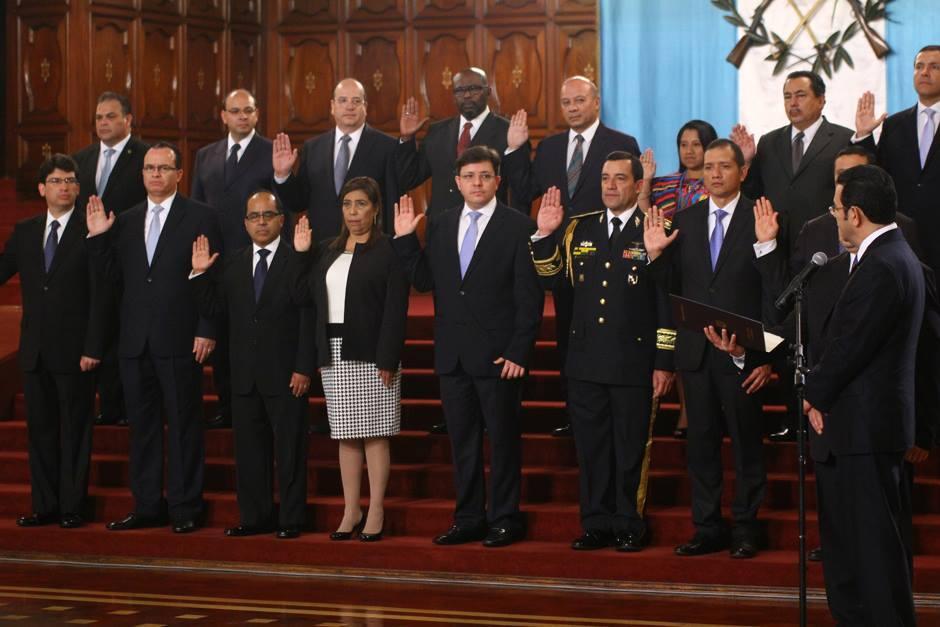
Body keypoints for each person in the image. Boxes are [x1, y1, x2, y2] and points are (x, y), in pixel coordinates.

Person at [392, 146, 543, 547]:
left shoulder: (519, 226)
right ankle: (469, 518)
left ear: (498, 180)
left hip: (499, 356)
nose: (477, 183)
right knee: (463, 445)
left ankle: (505, 518)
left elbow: (529, 297)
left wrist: (519, 350)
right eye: (470, 177)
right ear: (457, 183)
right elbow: (425, 281)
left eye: (485, 176)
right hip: (453, 355)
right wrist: (405, 239)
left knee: (504, 442)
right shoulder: (440, 224)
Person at [643, 139, 784, 559]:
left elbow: (775, 292)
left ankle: (746, 527)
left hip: (743, 355)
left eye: (724, 166)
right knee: (700, 446)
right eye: (709, 167)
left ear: (743, 171)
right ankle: (707, 526)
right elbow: (670, 291)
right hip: (695, 354)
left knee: (746, 443)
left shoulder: (762, 217)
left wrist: (766, 358)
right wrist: (655, 257)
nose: (715, 174)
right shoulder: (684, 220)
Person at [531, 152, 675, 552]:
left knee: (630, 448)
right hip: (585, 360)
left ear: (638, 184)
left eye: (620, 178)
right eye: (605, 178)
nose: (610, 186)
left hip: (634, 362)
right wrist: (544, 236)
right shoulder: (579, 228)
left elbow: (668, 300)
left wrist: (664, 361)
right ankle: (595, 521)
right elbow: (552, 280)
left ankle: (629, 522)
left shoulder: (656, 228)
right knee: (592, 448)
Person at [803, 164, 924, 626]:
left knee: (874, 557)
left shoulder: (883, 264)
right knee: (854, 554)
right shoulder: (892, 255)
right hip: (858, 429)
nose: (834, 217)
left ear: (854, 213)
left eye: (836, 210)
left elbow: (851, 345)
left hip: (866, 431)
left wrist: (812, 393)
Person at [86, 142, 222, 534]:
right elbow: (114, 281)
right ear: (142, 174)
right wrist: (98, 238)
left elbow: (212, 277)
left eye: (163, 168)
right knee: (142, 428)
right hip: (134, 343)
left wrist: (207, 328)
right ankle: (147, 505)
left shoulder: (201, 216)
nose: (156, 174)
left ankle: (184, 506)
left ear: (179, 174)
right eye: (149, 168)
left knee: (183, 426)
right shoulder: (126, 220)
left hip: (181, 338)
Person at [503, 75, 639, 438]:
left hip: (608, 255)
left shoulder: (621, 143)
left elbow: (630, 199)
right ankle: (574, 412)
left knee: (609, 330)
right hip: (563, 259)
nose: (573, 108)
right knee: (568, 336)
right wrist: (515, 150)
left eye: (579, 100)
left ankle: (611, 409)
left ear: (596, 102)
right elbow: (524, 190)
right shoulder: (549, 147)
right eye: (566, 103)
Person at [190, 191, 314, 539]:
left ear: (281, 220)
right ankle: (255, 517)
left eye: (267, 215)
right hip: (244, 376)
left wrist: (304, 367)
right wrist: (199, 275)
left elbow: (308, 314)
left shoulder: (297, 259)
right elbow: (215, 311)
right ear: (245, 223)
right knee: (249, 452)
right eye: (254, 217)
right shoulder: (233, 263)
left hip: (287, 374)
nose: (261, 222)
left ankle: (291, 519)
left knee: (290, 451)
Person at [296, 177, 408, 542]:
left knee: (374, 434)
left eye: (361, 204)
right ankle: (351, 509)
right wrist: (301, 255)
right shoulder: (327, 249)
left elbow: (395, 308)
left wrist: (388, 357)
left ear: (375, 209)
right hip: (334, 351)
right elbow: (303, 297)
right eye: (347, 204)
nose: (353, 212)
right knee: (345, 433)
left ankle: (375, 508)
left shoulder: (388, 249)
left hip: (373, 351)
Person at [0, 155, 105, 529]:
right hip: (35, 351)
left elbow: (102, 294)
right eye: (57, 181)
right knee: (40, 431)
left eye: (71, 181)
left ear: (78, 188)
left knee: (75, 431)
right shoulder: (25, 231)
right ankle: (44, 505)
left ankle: (72, 506)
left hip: (76, 352)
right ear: (42, 188)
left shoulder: (91, 229)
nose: (65, 187)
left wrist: (94, 347)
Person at [191, 88, 275, 430]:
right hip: (215, 261)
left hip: (257, 259)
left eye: (248, 110)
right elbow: (197, 208)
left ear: (257, 114)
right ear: (223, 115)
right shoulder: (205, 155)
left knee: (256, 337)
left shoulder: (271, 152)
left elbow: (281, 208)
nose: (242, 116)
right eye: (235, 111)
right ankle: (226, 406)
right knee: (222, 338)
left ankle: (260, 408)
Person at [73, 91, 149, 428]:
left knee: (125, 332)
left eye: (111, 116)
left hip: (131, 258)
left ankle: (132, 404)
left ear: (128, 120)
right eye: (99, 117)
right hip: (92, 257)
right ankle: (108, 403)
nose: (103, 122)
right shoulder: (81, 159)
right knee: (98, 328)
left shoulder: (146, 157)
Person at [638, 120, 717, 439]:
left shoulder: (718, 184)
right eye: (684, 144)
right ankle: (687, 409)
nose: (689, 150)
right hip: (670, 267)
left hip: (709, 268)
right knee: (684, 342)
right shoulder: (665, 183)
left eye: (696, 144)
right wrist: (645, 181)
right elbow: (645, 214)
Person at [731, 71, 853, 256]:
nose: (793, 103)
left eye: (800, 95)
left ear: (821, 100)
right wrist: (746, 162)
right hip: (775, 244)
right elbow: (753, 194)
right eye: (787, 97)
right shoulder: (768, 142)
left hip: (824, 245)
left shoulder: (843, 139)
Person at [273, 78, 400, 238]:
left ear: (365, 107)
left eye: (356, 101)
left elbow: (392, 203)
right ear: (332, 106)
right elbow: (298, 203)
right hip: (321, 246)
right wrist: (283, 175)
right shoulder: (313, 147)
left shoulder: (387, 146)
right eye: (343, 100)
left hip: (368, 245)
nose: (349, 106)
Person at [854, 45, 940, 276]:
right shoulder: (894, 124)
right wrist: (864, 136)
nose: (924, 72)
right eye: (919, 67)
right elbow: (877, 176)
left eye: (934, 67)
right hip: (903, 237)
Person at [397, 68, 521, 216]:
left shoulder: (509, 131)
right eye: (460, 90)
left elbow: (520, 189)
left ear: (488, 91)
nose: (467, 95)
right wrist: (406, 138)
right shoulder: (437, 132)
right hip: (441, 223)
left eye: (473, 89)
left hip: (488, 223)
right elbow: (409, 179)